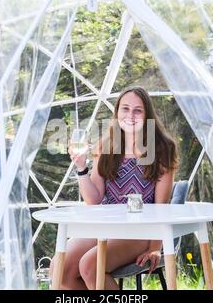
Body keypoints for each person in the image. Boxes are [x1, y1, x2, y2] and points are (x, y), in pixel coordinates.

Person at [50, 86, 178, 290]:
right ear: (117, 112)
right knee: (59, 268)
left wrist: (155, 247)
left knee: (90, 266)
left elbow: (161, 206)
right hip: (106, 226)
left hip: (141, 230)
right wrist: (81, 167)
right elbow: (94, 199)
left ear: (147, 115)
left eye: (138, 110)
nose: (130, 115)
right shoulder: (106, 146)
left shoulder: (163, 149)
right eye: (125, 109)